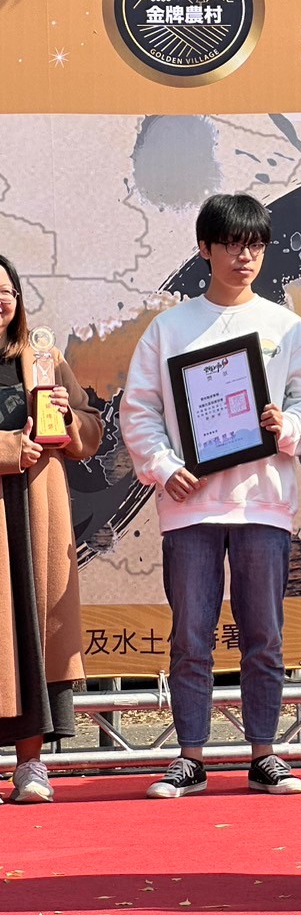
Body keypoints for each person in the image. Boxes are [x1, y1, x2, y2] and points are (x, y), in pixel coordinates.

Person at [121, 194, 301, 799]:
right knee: (191, 635)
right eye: (232, 244)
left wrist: (286, 426)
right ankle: (190, 755)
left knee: (265, 634)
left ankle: (265, 753)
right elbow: (140, 409)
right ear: (205, 249)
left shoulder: (286, 326)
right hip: (190, 504)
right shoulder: (170, 328)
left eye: (255, 245)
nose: (245, 256)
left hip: (263, 501)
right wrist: (164, 467)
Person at [0, 255, 102, 804]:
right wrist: (8, 449)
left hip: (37, 512)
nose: (0, 300)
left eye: (7, 291)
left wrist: (68, 415)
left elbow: (90, 431)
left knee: (34, 632)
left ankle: (30, 765)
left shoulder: (43, 357)